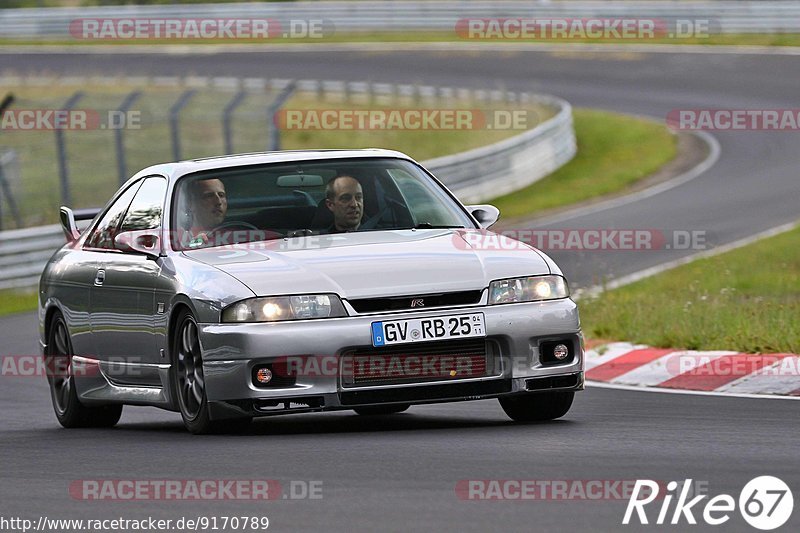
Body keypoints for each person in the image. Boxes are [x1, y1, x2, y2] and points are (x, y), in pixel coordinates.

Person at [184, 178, 227, 247]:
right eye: (209, 196)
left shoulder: (239, 234)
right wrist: (193, 245)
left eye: (221, 195)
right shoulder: (179, 239)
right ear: (191, 204)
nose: (218, 202)